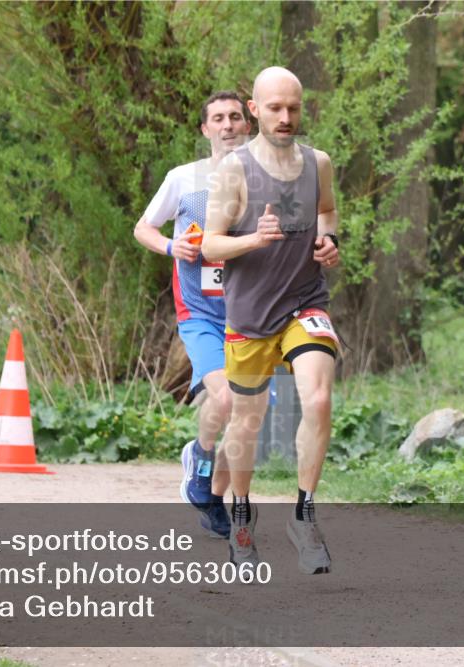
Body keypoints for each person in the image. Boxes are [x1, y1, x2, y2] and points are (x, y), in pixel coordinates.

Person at [202, 67, 340, 575]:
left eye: (294, 108)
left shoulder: (318, 163)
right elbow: (210, 245)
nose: (286, 118)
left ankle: (303, 514)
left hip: (305, 302)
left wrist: (329, 241)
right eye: (276, 108)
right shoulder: (234, 170)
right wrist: (254, 240)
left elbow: (327, 212)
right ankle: (241, 513)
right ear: (255, 110)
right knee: (248, 422)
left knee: (318, 398)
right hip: (251, 313)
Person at [133, 91, 252, 539]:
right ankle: (201, 459)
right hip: (200, 311)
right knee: (227, 400)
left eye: (235, 117)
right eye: (218, 118)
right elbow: (143, 227)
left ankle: (213, 494)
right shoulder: (184, 178)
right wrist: (171, 246)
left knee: (248, 417)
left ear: (248, 125)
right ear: (205, 129)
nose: (228, 125)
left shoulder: (265, 179)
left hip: (250, 312)